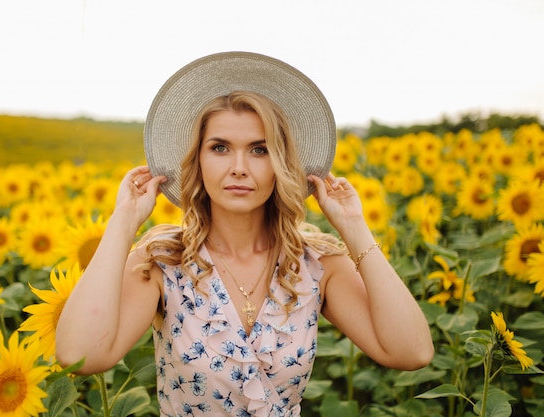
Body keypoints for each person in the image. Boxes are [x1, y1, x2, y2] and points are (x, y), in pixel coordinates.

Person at [55, 51, 434, 416]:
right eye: (220, 148)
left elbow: (411, 352)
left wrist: (354, 227)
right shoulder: (163, 261)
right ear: (197, 159)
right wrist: (124, 222)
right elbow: (80, 355)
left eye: (259, 150)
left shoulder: (316, 264)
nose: (239, 167)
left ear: (281, 163)